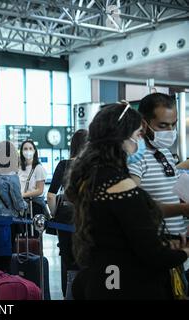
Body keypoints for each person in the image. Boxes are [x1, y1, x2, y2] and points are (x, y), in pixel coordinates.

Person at [66, 103, 189, 300]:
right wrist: (184, 252)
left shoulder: (92, 177)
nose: (141, 140)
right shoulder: (121, 186)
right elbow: (152, 255)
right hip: (131, 285)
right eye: (139, 134)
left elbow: (119, 236)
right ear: (122, 138)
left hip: (104, 280)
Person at [129, 93, 189, 246]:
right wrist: (183, 209)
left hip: (177, 244)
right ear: (143, 124)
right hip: (155, 245)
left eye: (173, 125)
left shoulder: (165, 153)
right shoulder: (135, 158)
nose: (170, 131)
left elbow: (174, 196)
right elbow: (135, 207)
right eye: (163, 125)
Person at [46, 129, 88, 299]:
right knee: (86, 259)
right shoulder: (93, 165)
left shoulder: (63, 165)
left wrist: (54, 214)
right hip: (87, 216)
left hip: (65, 217)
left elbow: (51, 195)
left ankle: (68, 294)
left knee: (67, 260)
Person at [0, 141, 27, 272]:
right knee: (3, 263)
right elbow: (19, 204)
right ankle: (1, 289)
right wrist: (25, 205)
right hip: (5, 225)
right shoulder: (12, 177)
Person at [17, 140, 48, 238]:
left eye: (30, 148)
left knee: (34, 236)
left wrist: (23, 195)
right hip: (22, 206)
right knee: (22, 235)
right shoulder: (19, 168)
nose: (28, 151)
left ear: (35, 151)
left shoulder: (38, 168)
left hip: (34, 205)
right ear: (21, 151)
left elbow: (40, 190)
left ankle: (35, 253)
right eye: (25, 149)